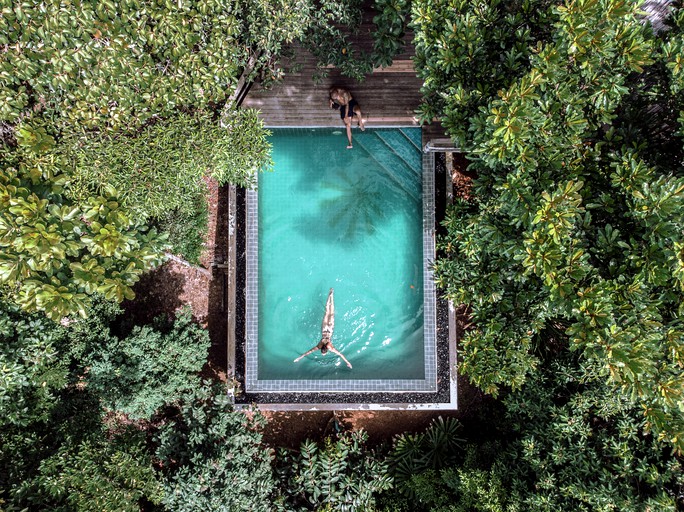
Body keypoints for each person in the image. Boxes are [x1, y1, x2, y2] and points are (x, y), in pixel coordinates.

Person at [293, 288, 353, 368]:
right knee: (327, 311)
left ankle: (332, 296)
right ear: (322, 349)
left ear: (325, 349)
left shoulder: (330, 347)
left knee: (331, 312)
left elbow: (340, 354)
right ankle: (330, 294)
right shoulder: (319, 346)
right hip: (324, 329)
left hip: (330, 329)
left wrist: (347, 362)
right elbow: (308, 352)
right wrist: (299, 358)